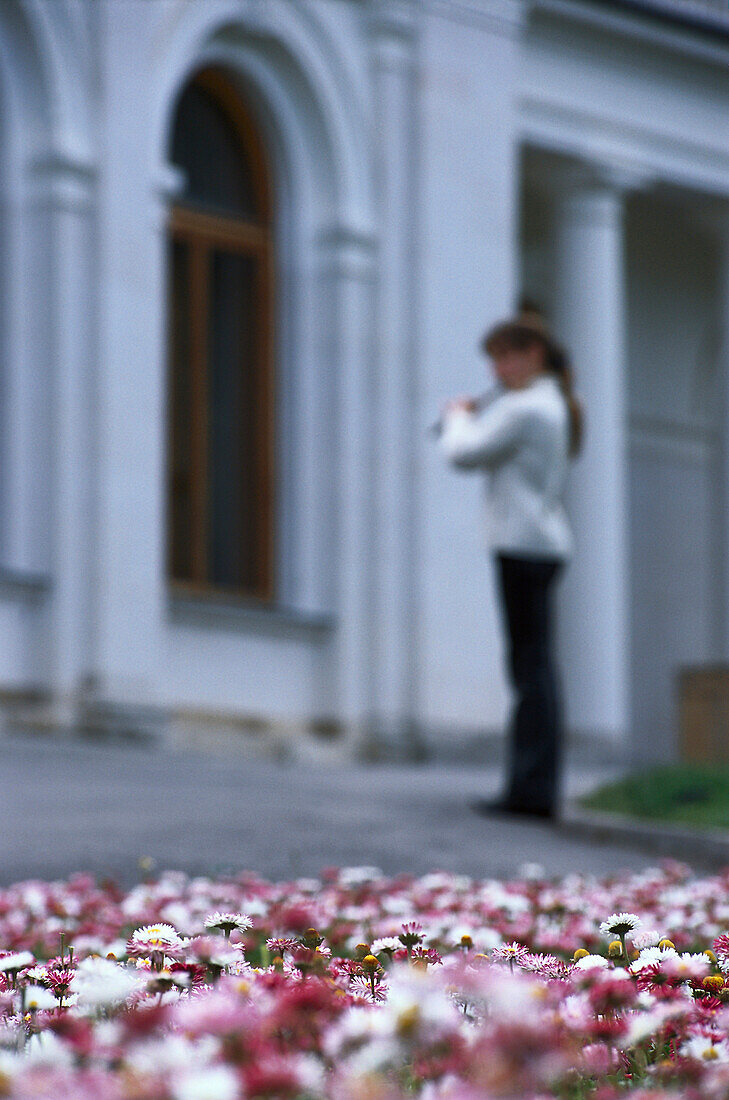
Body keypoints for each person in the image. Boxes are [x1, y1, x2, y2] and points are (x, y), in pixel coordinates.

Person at [437, 307, 583, 821]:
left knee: (530, 670)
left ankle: (531, 791)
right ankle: (532, 786)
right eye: (494, 360)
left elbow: (463, 454)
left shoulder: (526, 409)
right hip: (537, 545)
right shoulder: (547, 403)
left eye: (505, 357)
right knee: (533, 667)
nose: (497, 370)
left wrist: (457, 415)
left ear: (533, 355)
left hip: (525, 546)